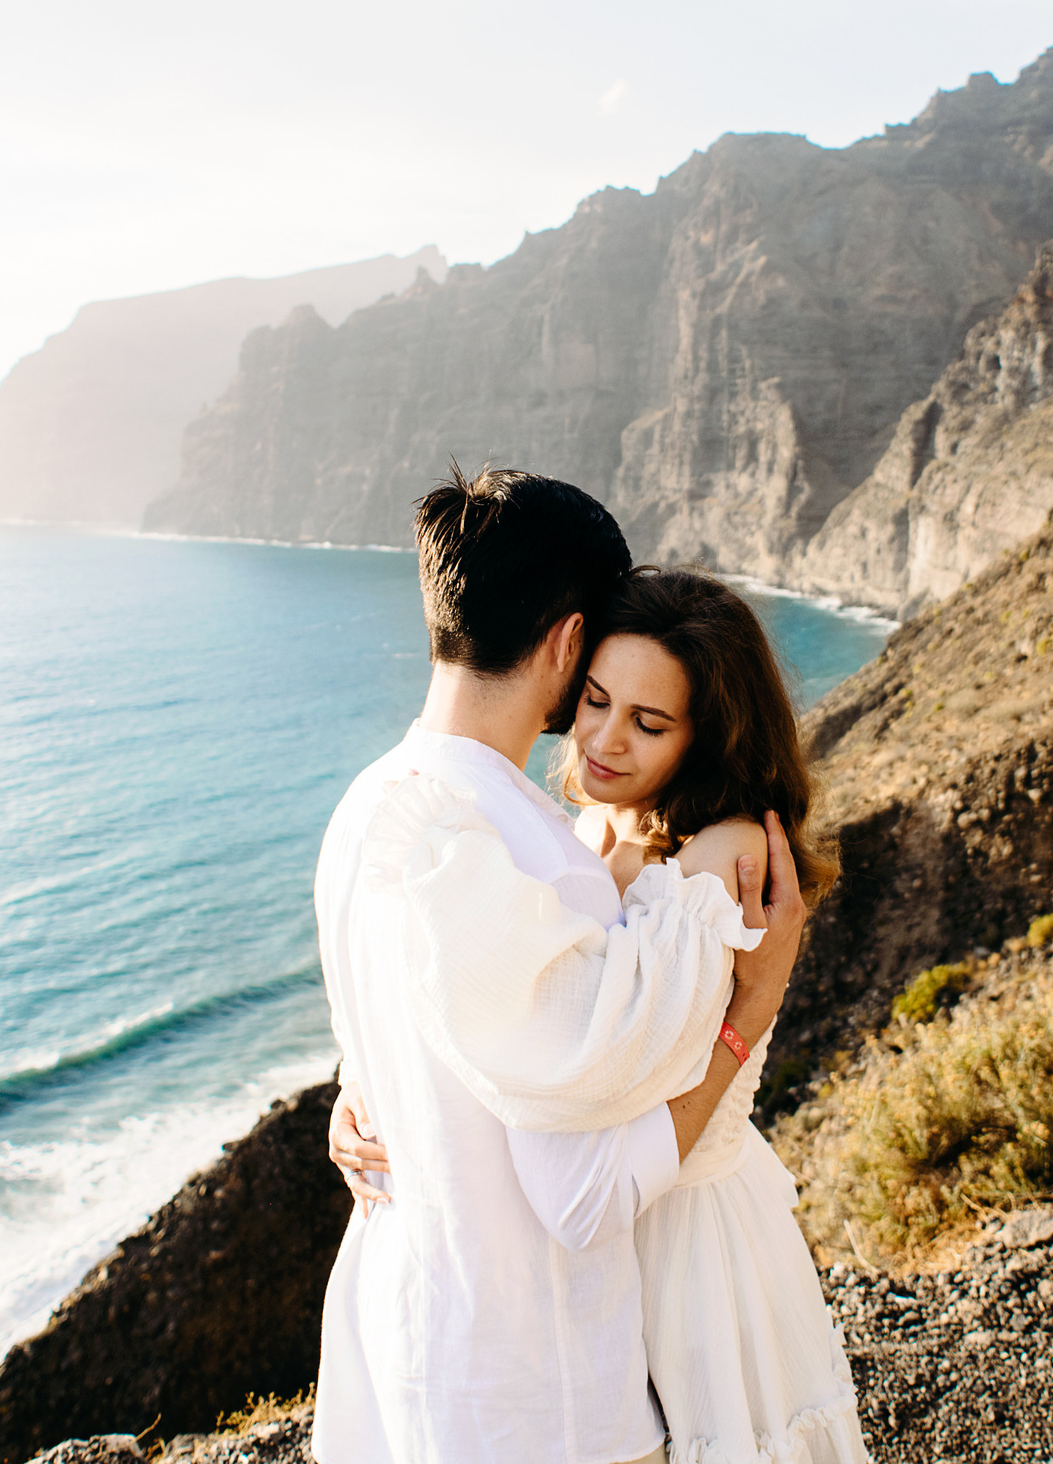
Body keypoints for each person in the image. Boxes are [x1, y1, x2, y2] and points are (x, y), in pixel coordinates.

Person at [311, 469, 809, 1464]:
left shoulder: (365, 808)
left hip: (399, 1353)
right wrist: (747, 1014)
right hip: (536, 1392)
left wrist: (363, 1088)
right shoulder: (536, 861)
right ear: (569, 641)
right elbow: (584, 1188)